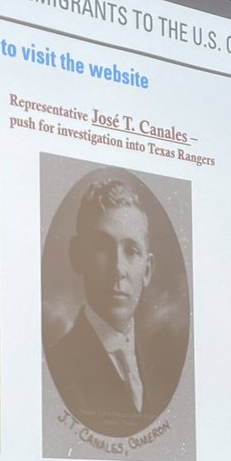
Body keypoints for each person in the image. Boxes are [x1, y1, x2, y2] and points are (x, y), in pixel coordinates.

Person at [46, 179, 177, 436]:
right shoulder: (57, 365)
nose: (118, 268)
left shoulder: (163, 367)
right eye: (101, 247)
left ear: (147, 270)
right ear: (78, 256)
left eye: (131, 250)